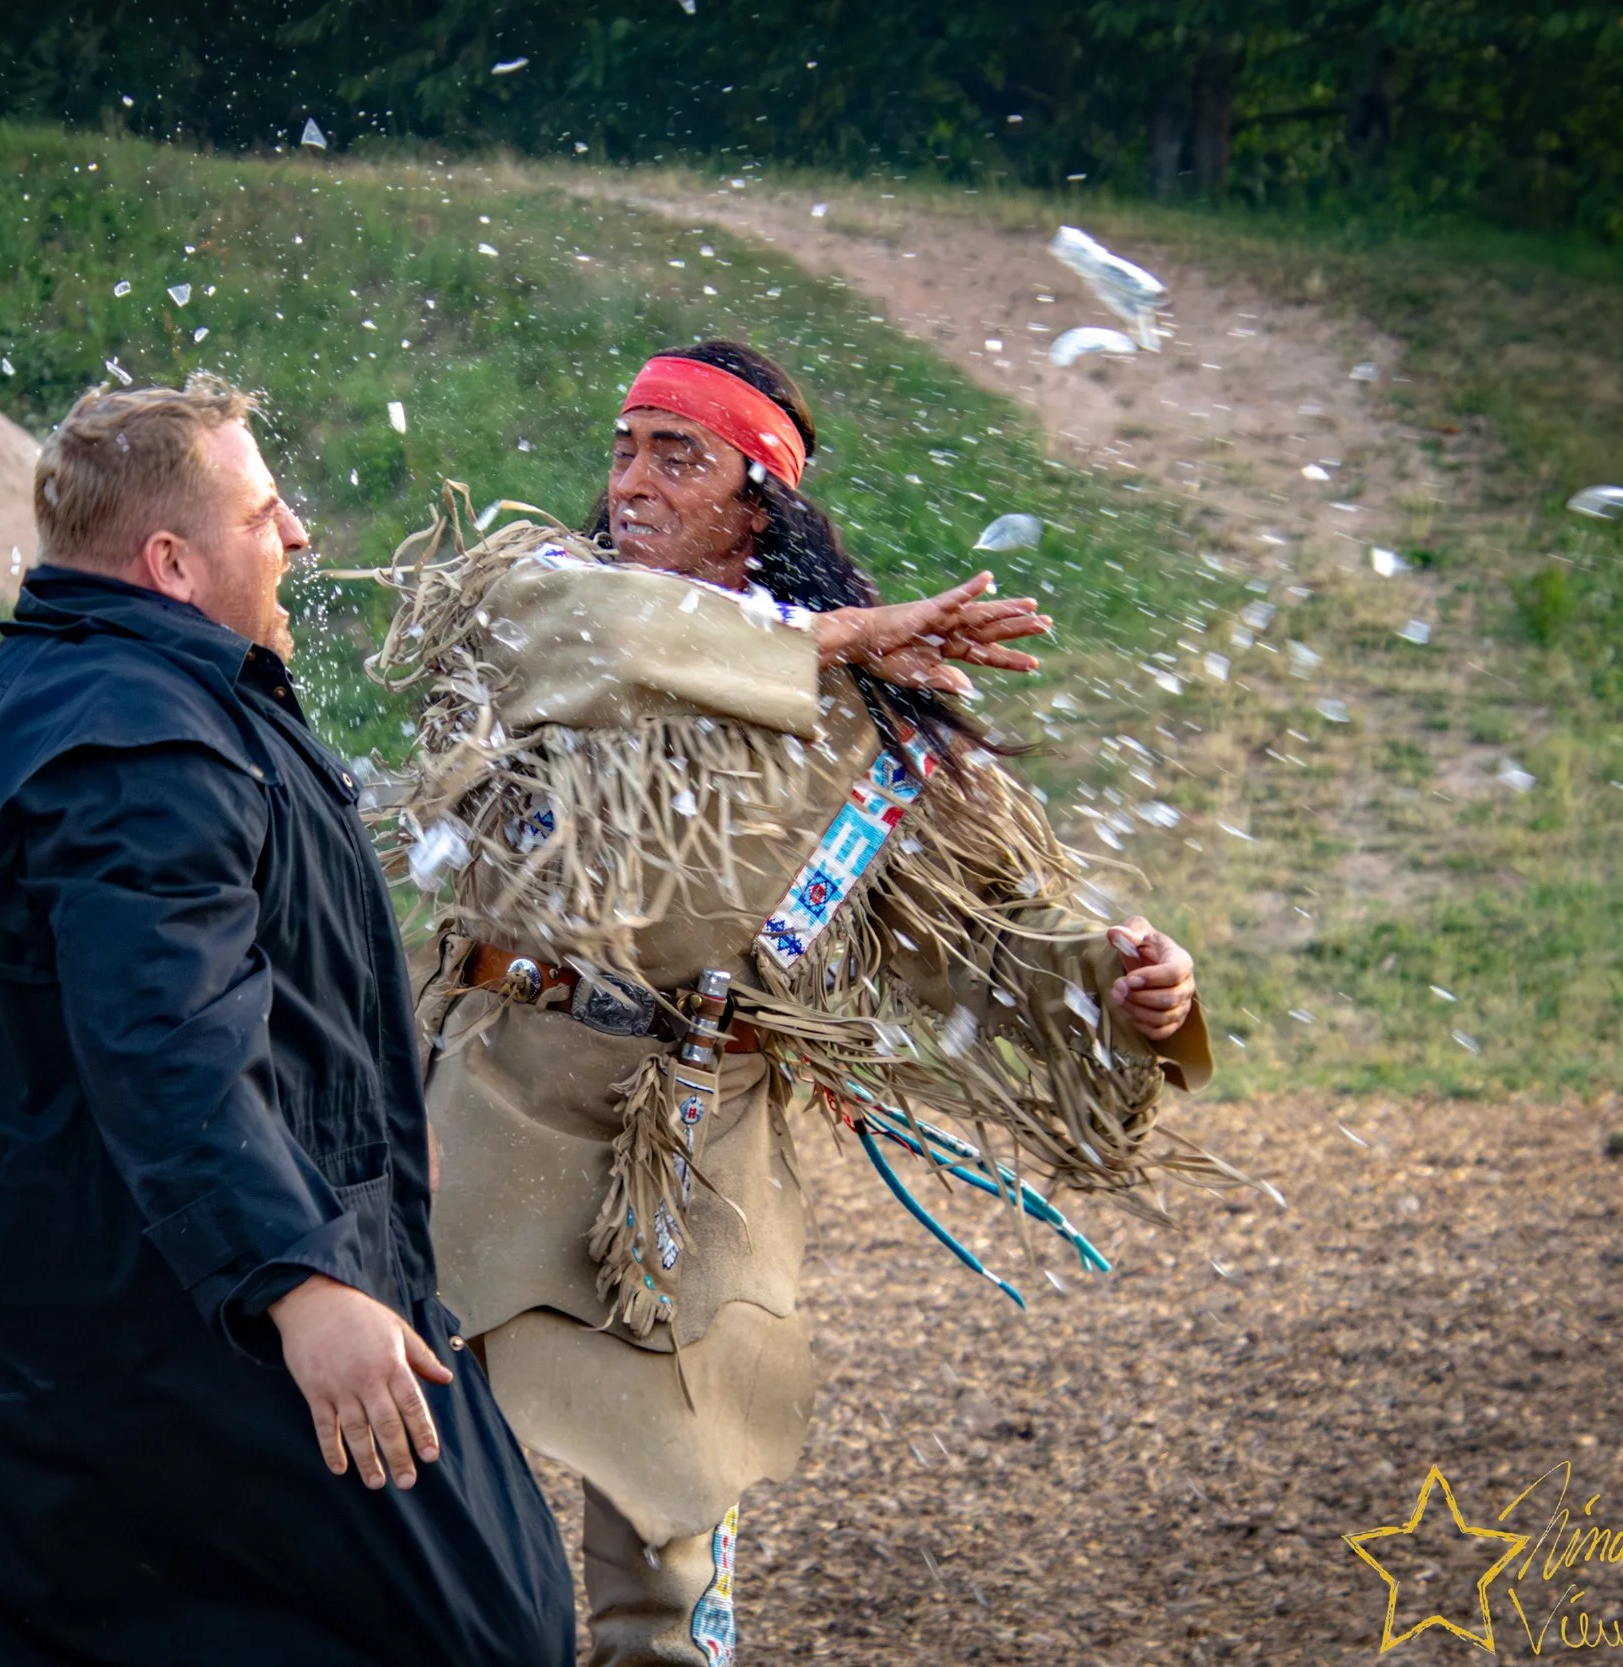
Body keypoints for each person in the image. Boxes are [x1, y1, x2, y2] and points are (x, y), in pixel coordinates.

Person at [371, 342, 1233, 1666]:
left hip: (690, 1143)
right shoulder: (548, 602)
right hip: (493, 1094)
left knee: (663, 1557)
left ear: (757, 504)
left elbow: (974, 932)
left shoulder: (865, 728)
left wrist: (1129, 984)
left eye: (680, 454)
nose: (633, 482)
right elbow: (571, 638)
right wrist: (824, 638)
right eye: (625, 446)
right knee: (402, 1492)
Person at [0, 378, 574, 1667]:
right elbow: (161, 1042)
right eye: (263, 512)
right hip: (107, 1313)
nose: (300, 532)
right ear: (171, 563)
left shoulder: (89, 688)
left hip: (94, 1291)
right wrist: (298, 1283)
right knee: (474, 1629)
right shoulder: (139, 743)